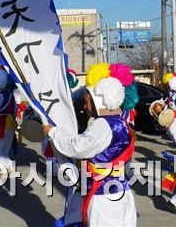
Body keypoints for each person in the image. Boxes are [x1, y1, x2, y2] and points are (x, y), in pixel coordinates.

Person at [43, 62, 137, 227]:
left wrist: (54, 132)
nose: (85, 106)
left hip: (104, 196)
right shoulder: (121, 122)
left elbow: (77, 147)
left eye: (87, 101)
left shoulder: (104, 125)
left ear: (98, 100)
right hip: (120, 191)